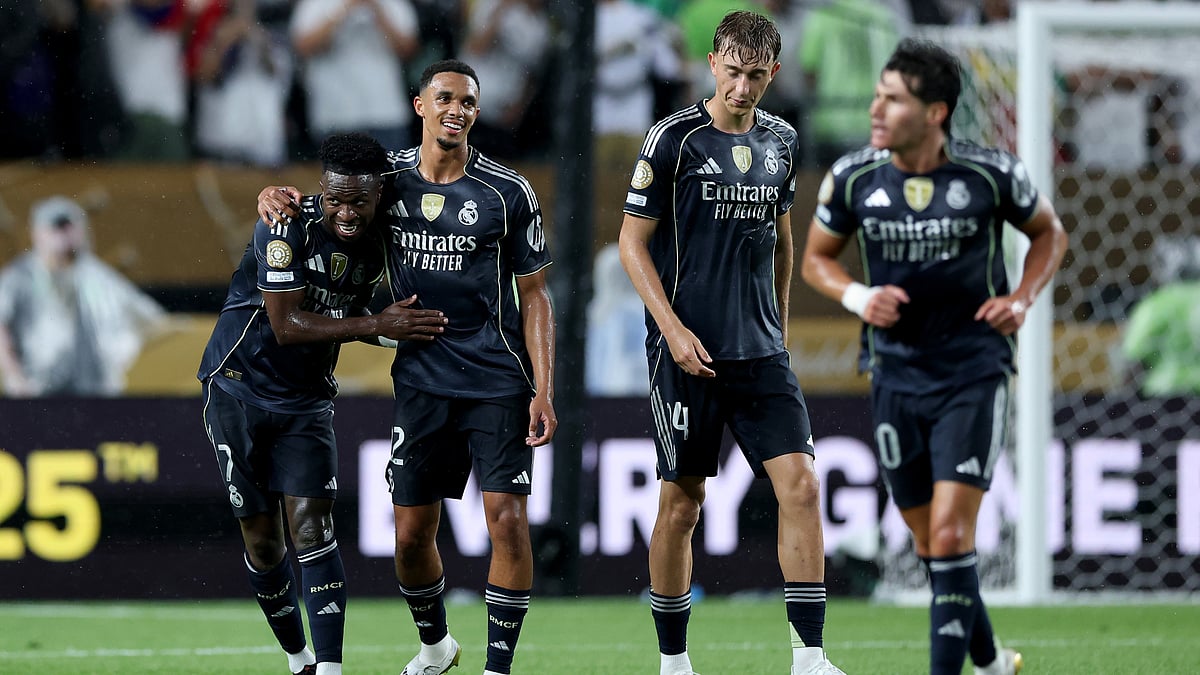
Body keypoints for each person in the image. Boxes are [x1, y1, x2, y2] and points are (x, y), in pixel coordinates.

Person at [255, 59, 557, 675]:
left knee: (506, 520)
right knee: (410, 537)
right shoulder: (385, 178)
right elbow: (328, 206)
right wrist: (273, 196)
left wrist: (544, 389)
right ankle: (435, 645)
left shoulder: (507, 191)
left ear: (476, 112)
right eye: (444, 97)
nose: (457, 110)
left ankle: (498, 668)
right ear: (419, 105)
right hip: (420, 379)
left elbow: (536, 296)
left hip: (496, 378)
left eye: (469, 102)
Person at [800, 38, 1069, 675]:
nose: (875, 109)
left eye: (892, 99)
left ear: (935, 112)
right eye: (877, 95)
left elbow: (1048, 234)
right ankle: (995, 662)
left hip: (973, 369)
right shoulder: (854, 177)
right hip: (894, 371)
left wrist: (1024, 299)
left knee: (951, 535)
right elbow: (816, 259)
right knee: (930, 544)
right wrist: (859, 295)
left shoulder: (989, 174)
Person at [617, 11, 845, 675]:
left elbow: (783, 235)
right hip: (687, 351)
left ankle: (809, 656)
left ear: (773, 73)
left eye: (756, 75)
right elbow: (632, 243)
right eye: (733, 71)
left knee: (800, 487)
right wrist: (672, 330)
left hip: (761, 352)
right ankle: (674, 660)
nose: (743, 87)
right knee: (682, 504)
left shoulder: (782, 141)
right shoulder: (673, 140)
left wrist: (778, 318)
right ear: (712, 63)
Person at [199, 132, 448, 675]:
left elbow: (423, 169)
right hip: (237, 387)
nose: (347, 213)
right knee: (263, 541)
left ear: (378, 193)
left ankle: (330, 670)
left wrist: (396, 329)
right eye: (335, 200)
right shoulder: (284, 226)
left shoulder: (390, 232)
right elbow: (286, 326)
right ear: (321, 190)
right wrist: (378, 325)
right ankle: (299, 658)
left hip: (306, 401)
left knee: (313, 527)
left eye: (358, 201)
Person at [0, 195, 168, 397]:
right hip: (39, 392)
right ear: (37, 233)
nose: (64, 235)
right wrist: (14, 375)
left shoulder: (98, 275)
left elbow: (150, 319)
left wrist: (120, 354)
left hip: (94, 393)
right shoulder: (19, 277)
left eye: (70, 227)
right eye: (56, 228)